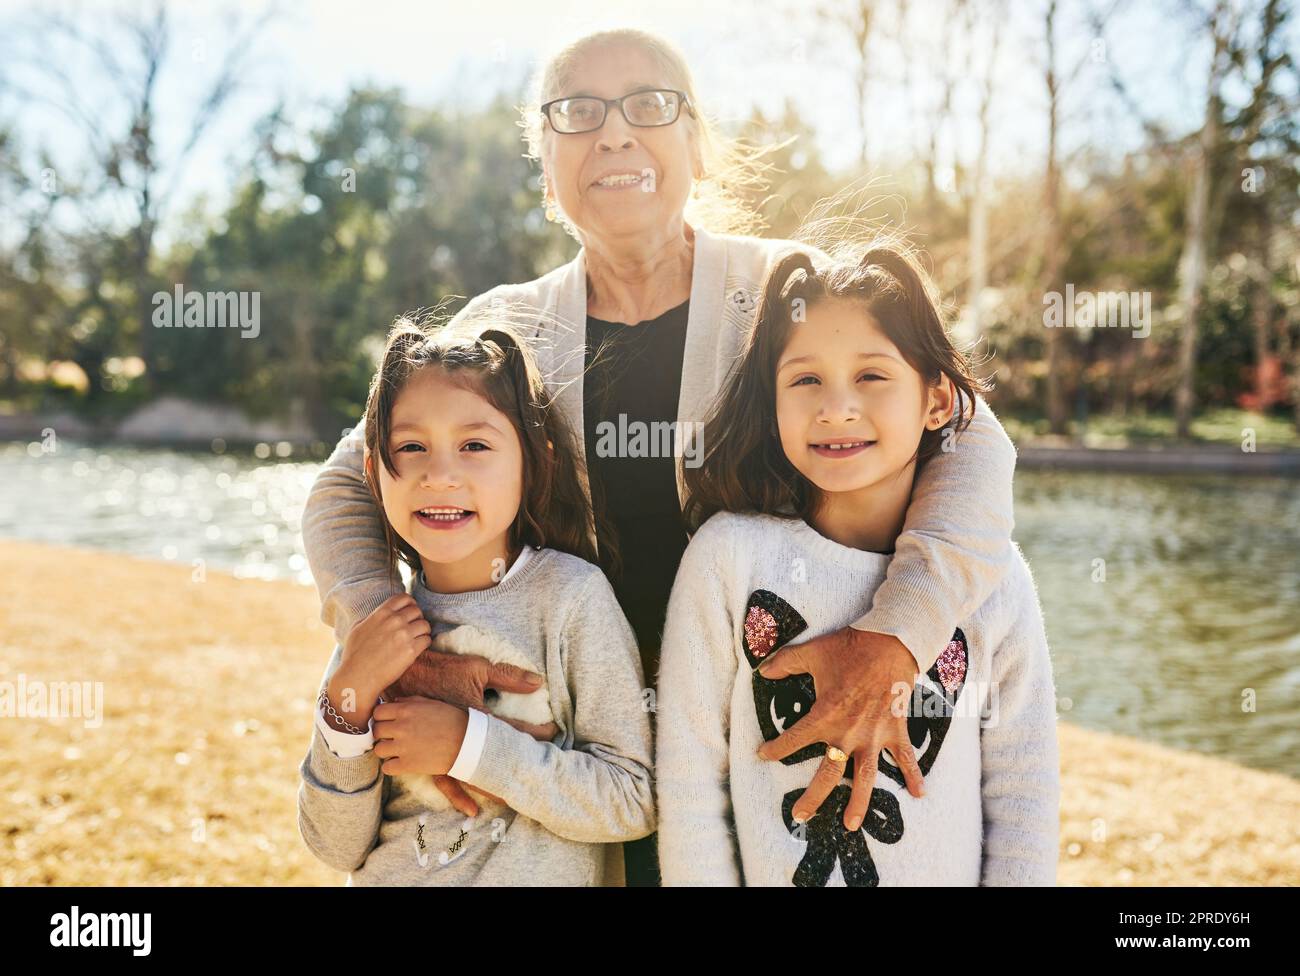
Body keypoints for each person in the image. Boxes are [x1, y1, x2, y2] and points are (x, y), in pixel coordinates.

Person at [302, 28, 1019, 886]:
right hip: (571, 752)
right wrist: (394, 642)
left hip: (765, 739)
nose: (613, 134)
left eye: (650, 105)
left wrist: (897, 637)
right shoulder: (506, 330)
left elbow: (968, 431)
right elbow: (346, 487)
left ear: (698, 142)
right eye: (576, 112)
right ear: (544, 157)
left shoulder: (788, 292)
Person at [655, 241, 1060, 886]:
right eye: (805, 379)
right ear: (773, 397)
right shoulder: (727, 558)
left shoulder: (993, 581)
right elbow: (689, 787)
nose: (836, 407)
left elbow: (1023, 795)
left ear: (935, 400)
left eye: (871, 376)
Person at [297, 315, 654, 885]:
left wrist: (470, 746)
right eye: (411, 446)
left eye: (474, 445)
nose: (440, 475)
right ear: (373, 472)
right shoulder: (378, 632)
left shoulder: (570, 599)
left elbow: (632, 800)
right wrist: (346, 706)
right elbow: (335, 846)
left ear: (536, 461)